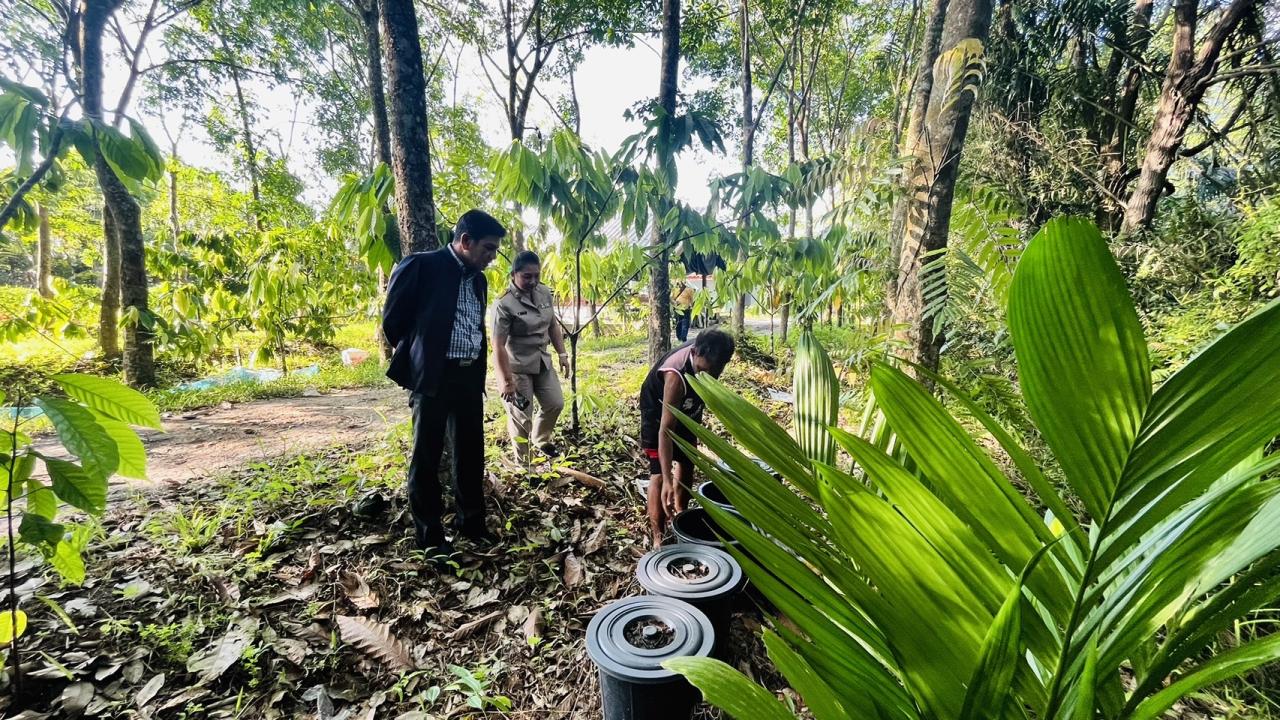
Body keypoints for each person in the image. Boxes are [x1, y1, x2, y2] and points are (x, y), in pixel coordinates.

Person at [382, 210, 505, 556]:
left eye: (495, 251)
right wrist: (421, 356)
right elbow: (393, 322)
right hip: (434, 376)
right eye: (488, 249)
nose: (492, 257)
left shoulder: (478, 280)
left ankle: (471, 522)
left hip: (468, 376)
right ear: (465, 241)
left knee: (470, 452)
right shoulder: (421, 266)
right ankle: (430, 535)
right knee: (427, 454)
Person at [638, 329, 736, 548]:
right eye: (701, 370)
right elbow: (666, 430)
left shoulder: (711, 355)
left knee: (688, 459)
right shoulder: (675, 375)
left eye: (712, 373)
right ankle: (658, 537)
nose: (707, 377)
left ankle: (680, 516)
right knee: (658, 476)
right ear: (693, 353)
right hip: (657, 412)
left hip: (688, 406)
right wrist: (666, 476)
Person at [492, 251, 569, 462]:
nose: (533, 281)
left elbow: (552, 324)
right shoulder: (504, 303)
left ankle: (541, 439)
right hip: (517, 368)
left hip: (542, 361)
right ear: (514, 274)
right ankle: (524, 465)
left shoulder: (544, 292)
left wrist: (562, 353)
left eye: (536, 275)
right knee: (521, 418)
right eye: (527, 276)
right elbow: (497, 345)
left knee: (555, 403)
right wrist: (506, 381)